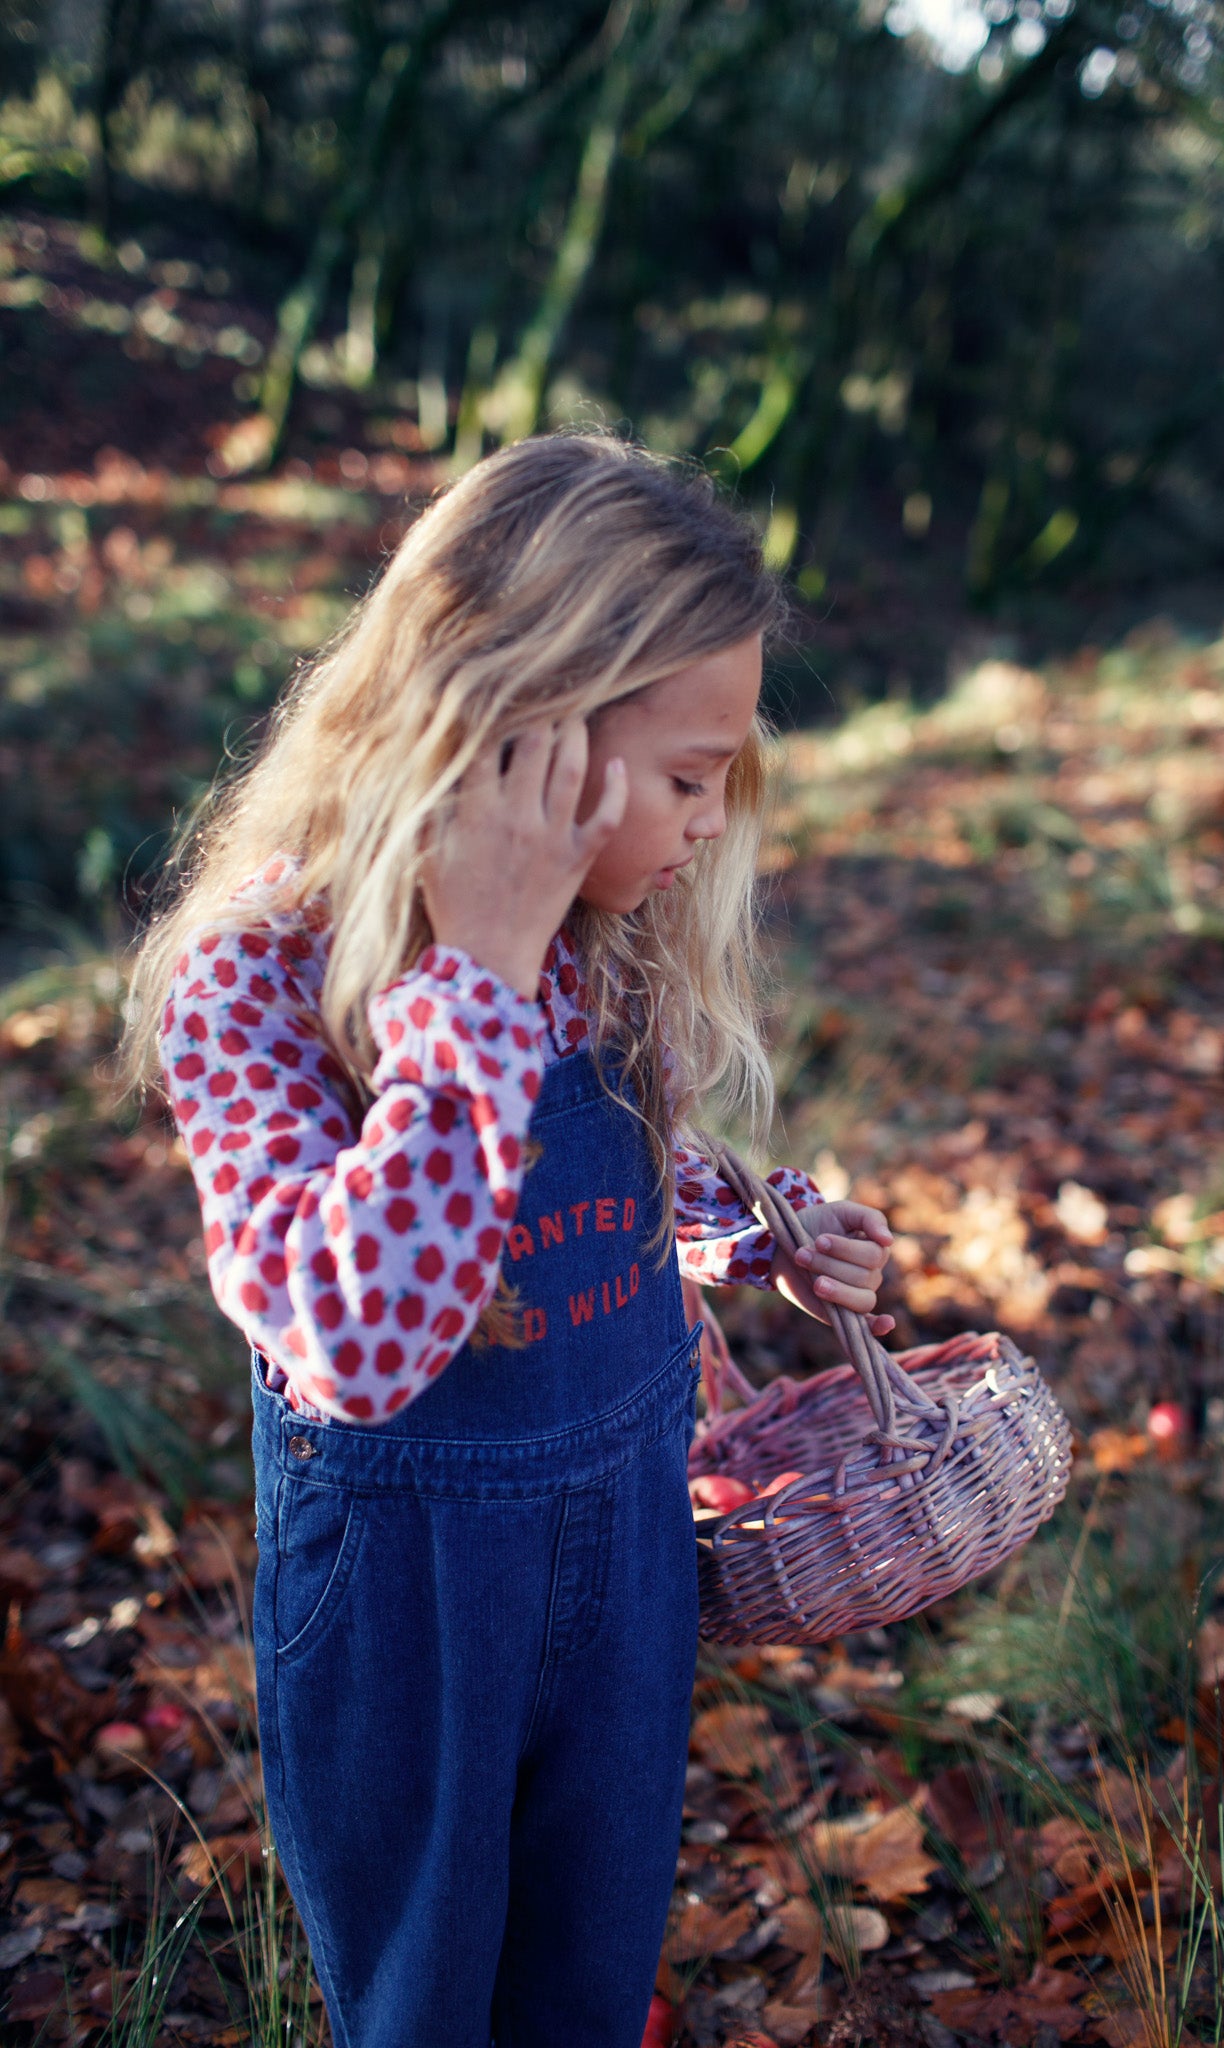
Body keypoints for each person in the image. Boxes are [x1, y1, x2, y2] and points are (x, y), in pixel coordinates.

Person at [124, 432, 896, 2048]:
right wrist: (469, 971)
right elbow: (357, 1345)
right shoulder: (255, 980)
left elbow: (618, 1183)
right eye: (688, 776)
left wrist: (773, 1235)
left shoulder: (600, 955)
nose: (707, 823)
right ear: (524, 735)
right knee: (423, 2001)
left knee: (584, 1978)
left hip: (621, 1546)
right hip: (415, 1599)